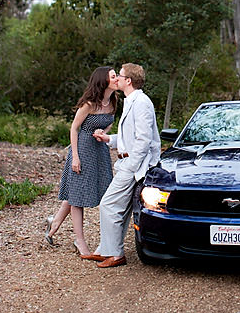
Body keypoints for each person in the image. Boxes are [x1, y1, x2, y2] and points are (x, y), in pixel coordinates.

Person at [83, 63, 161, 268]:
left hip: (135, 165)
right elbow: (130, 137)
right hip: (128, 162)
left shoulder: (141, 102)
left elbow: (144, 140)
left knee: (109, 203)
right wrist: (108, 139)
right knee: (119, 207)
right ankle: (107, 250)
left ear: (129, 81)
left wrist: (132, 166)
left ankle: (115, 254)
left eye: (120, 75)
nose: (116, 77)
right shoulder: (130, 101)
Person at [44, 66, 119, 257]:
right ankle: (80, 241)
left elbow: (109, 122)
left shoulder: (114, 101)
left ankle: (54, 222)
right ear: (104, 80)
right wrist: (75, 157)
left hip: (100, 152)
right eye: (113, 76)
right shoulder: (88, 103)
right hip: (83, 150)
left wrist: (104, 132)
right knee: (78, 197)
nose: (117, 78)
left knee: (83, 191)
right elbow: (74, 128)